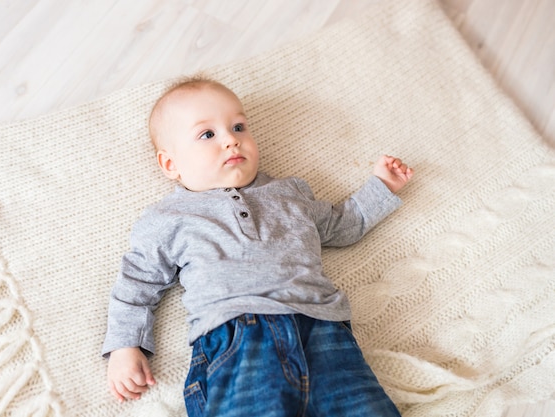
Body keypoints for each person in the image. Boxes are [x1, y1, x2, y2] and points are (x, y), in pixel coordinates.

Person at [102, 76, 413, 416]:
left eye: (238, 127)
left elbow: (342, 225)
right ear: (170, 164)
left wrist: (381, 186)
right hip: (237, 341)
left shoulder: (290, 193)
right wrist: (125, 346)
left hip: (323, 331)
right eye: (208, 134)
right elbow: (137, 284)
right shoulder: (168, 217)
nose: (230, 142)